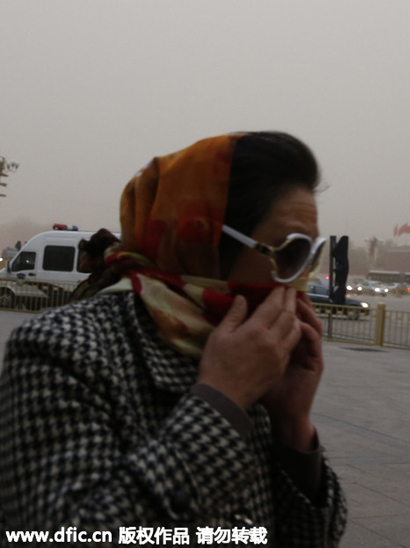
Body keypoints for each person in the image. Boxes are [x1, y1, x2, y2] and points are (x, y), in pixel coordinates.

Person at [0, 132, 347, 546]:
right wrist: (220, 403)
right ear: (201, 240)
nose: (303, 278)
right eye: (292, 253)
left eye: (313, 256)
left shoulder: (250, 353)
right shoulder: (61, 349)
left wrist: (294, 426)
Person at [69, 228, 121, 302]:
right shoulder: (88, 284)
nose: (82, 257)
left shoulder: (107, 290)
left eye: (87, 253)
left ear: (98, 260)